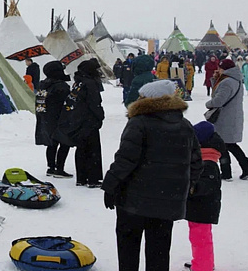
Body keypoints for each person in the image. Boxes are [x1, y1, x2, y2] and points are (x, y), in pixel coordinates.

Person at [102, 80, 202, 271]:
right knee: (159, 251)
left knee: (128, 248)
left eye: (142, 96)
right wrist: (185, 186)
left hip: (133, 201)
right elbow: (196, 161)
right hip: (167, 203)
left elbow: (125, 160)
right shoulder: (185, 125)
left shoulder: (139, 123)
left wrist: (110, 185)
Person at [185, 121, 227, 271]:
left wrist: (191, 189)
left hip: (202, 208)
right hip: (200, 207)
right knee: (198, 237)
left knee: (201, 239)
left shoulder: (208, 162)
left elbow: (207, 186)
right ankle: (201, 262)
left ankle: (203, 266)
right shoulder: (205, 159)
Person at [208, 58, 248, 180]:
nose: (218, 69)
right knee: (229, 144)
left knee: (224, 145)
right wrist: (215, 80)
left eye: (220, 67)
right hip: (232, 116)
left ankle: (229, 172)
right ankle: (246, 168)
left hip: (225, 118)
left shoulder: (227, 82)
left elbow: (218, 100)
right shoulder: (235, 80)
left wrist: (208, 104)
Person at [65, 58, 105, 188]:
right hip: (89, 120)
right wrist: (100, 116)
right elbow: (94, 103)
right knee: (92, 150)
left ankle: (81, 177)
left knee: (81, 149)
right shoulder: (90, 83)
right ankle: (93, 178)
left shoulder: (78, 82)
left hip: (78, 119)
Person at [34, 60, 73, 178]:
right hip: (60, 118)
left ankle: (51, 167)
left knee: (51, 144)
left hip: (46, 118)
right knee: (65, 143)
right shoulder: (61, 86)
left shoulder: (43, 85)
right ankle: (60, 168)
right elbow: (67, 103)